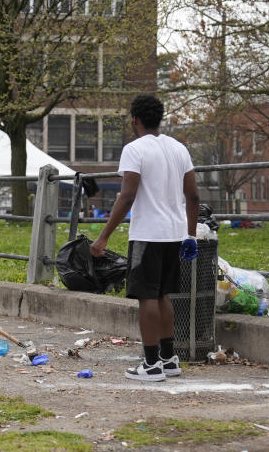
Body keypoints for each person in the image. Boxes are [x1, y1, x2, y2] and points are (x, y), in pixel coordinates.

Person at [91, 95, 199, 382]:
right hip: (176, 234)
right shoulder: (179, 148)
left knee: (147, 297)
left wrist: (103, 238)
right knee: (164, 295)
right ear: (159, 118)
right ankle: (169, 357)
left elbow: (127, 196)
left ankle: (151, 363)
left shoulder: (134, 149)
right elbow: (194, 196)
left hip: (148, 234)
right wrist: (191, 234)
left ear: (135, 119)